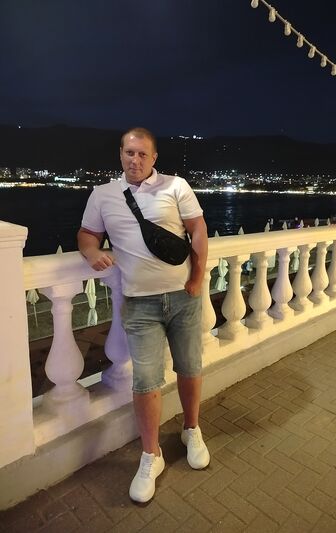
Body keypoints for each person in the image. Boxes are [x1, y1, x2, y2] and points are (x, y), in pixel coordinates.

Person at [77, 127, 210, 503]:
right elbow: (87, 234)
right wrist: (91, 252)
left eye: (142, 154)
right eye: (129, 152)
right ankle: (151, 455)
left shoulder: (176, 186)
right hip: (140, 304)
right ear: (120, 154)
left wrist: (197, 278)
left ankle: (191, 429)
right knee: (146, 382)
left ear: (154, 158)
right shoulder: (103, 194)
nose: (134, 160)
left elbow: (198, 230)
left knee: (190, 367)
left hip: (183, 298)